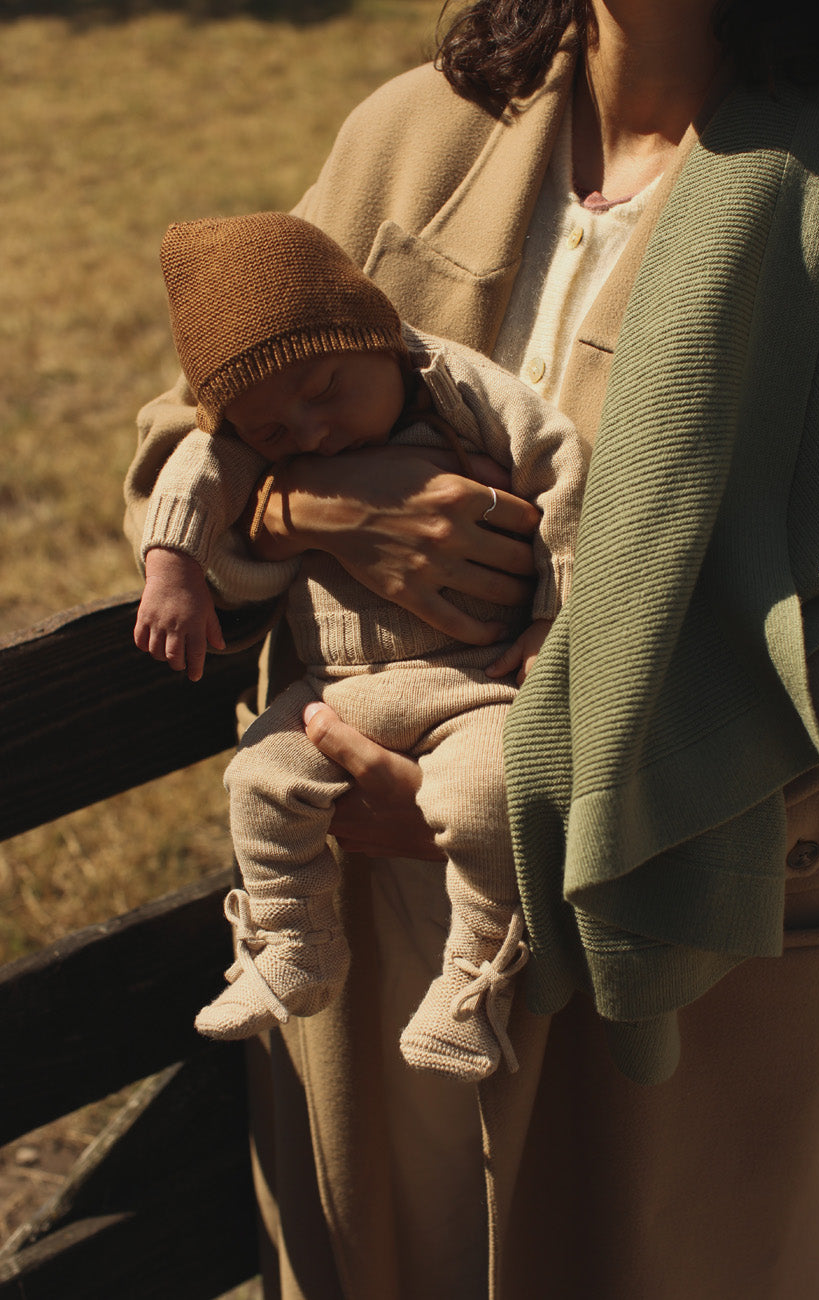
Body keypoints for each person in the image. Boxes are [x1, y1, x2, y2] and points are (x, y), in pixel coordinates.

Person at [123, 0, 819, 1296]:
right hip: (368, 910)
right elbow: (188, 422)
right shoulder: (416, 129)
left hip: (680, 903)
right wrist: (319, 511)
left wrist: (543, 799)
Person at [134, 210, 585, 1080]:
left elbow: (561, 468)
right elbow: (198, 468)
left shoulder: (453, 385)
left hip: (474, 684)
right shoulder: (251, 432)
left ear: (377, 338)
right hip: (336, 692)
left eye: (326, 389)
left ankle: (472, 982)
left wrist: (551, 619)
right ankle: (293, 945)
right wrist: (174, 569)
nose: (305, 433)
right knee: (258, 782)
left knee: (488, 795)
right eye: (272, 431)